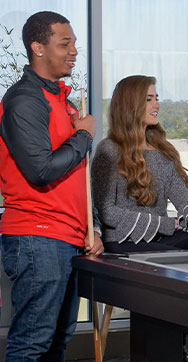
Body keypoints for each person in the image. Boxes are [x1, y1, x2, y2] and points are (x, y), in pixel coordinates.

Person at [0, 11, 103, 361]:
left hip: (64, 238)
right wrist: (84, 135)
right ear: (38, 48)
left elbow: (76, 180)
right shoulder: (25, 101)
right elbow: (41, 170)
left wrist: (92, 227)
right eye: (65, 43)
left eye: (74, 42)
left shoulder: (62, 101)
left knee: (56, 343)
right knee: (31, 346)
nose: (74, 50)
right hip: (37, 237)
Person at [92, 75, 188, 252]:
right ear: (131, 106)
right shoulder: (108, 149)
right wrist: (162, 224)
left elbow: (182, 197)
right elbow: (104, 210)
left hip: (160, 237)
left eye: (156, 98)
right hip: (123, 240)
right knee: (171, 255)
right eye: (148, 99)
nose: (157, 105)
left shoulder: (162, 150)